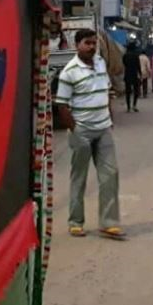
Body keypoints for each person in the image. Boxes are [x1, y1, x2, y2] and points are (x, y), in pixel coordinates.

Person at [54, 29, 125, 240]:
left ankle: (109, 223)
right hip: (82, 132)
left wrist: (109, 115)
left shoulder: (101, 63)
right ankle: (76, 222)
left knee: (110, 175)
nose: (92, 47)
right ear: (78, 45)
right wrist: (75, 130)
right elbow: (62, 105)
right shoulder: (69, 72)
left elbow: (107, 90)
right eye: (88, 43)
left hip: (103, 129)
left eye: (94, 43)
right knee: (79, 178)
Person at [122, 41, 142, 113]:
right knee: (136, 91)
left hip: (127, 75)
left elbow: (124, 64)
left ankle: (128, 107)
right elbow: (138, 65)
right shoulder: (136, 55)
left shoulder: (125, 55)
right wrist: (140, 74)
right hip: (134, 75)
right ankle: (134, 105)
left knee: (128, 92)